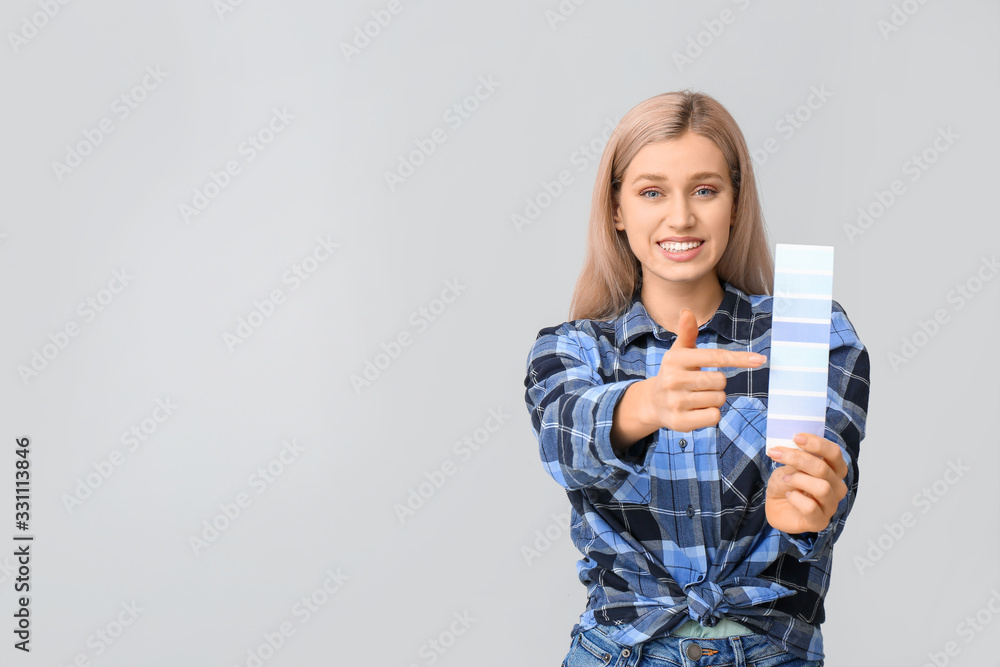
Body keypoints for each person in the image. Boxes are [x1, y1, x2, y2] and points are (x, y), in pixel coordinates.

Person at [522, 90, 870, 667]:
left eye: (705, 190)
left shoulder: (812, 333)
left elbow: (830, 489)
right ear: (617, 210)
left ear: (735, 203)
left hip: (772, 653)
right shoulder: (571, 348)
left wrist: (807, 511)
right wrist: (648, 403)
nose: (680, 216)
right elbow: (564, 440)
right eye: (652, 191)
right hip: (620, 653)